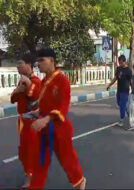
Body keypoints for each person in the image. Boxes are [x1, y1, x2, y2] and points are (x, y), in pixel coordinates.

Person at [29, 48, 86, 189]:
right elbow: (45, 104)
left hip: (60, 129)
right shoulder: (44, 81)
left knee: (67, 161)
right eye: (38, 61)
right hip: (45, 129)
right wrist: (38, 112)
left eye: (42, 60)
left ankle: (80, 181)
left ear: (52, 61)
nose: (39, 64)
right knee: (40, 161)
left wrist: (46, 119)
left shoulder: (62, 80)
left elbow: (63, 107)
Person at [10, 54, 42, 188]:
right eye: (17, 64)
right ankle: (29, 174)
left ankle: (31, 179)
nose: (18, 67)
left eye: (20, 64)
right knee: (23, 151)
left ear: (28, 64)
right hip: (22, 121)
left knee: (31, 150)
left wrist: (27, 85)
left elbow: (32, 96)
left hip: (32, 121)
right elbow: (12, 99)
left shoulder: (36, 81)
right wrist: (18, 89)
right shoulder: (21, 82)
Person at [107, 55, 132, 127]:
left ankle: (121, 120)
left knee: (122, 106)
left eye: (121, 62)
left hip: (125, 91)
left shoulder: (128, 70)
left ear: (124, 61)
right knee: (119, 103)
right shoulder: (118, 69)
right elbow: (115, 78)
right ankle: (127, 110)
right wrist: (109, 85)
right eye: (119, 62)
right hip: (119, 90)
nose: (120, 64)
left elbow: (131, 81)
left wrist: (133, 90)